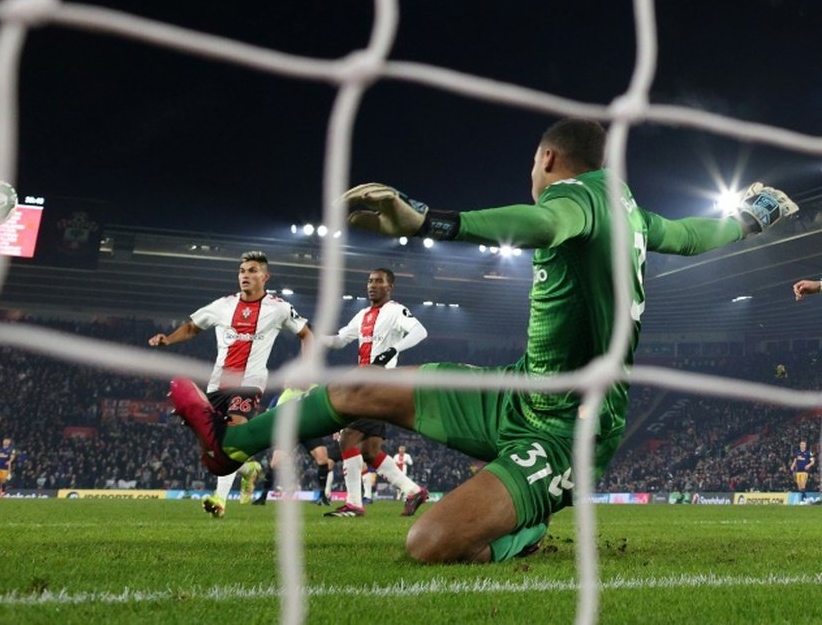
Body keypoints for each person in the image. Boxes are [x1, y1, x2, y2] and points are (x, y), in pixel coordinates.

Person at [169, 118, 798, 563]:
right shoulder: (628, 208)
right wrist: (748, 218)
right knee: (360, 386)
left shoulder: (574, 200)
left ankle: (527, 523)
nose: (532, 172)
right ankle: (230, 446)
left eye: (533, 162)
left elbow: (540, 220)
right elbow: (692, 235)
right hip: (518, 392)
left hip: (567, 432)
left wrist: (425, 220)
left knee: (432, 544)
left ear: (548, 159)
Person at [149, 250, 312, 518]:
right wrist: (167, 339)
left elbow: (306, 334)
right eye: (242, 271)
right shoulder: (222, 305)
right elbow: (192, 328)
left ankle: (220, 500)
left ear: (265, 276)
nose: (245, 275)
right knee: (213, 446)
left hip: (249, 382)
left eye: (252, 271)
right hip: (217, 385)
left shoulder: (279, 308)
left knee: (234, 434)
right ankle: (248, 469)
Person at [320, 268, 430, 517]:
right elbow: (339, 340)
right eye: (370, 281)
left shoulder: (395, 310)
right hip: (365, 384)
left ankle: (354, 504)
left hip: (381, 383)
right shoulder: (362, 315)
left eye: (378, 281)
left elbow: (420, 331)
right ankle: (413, 490)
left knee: (348, 438)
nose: (372, 285)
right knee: (370, 450)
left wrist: (393, 350)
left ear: (390, 286)